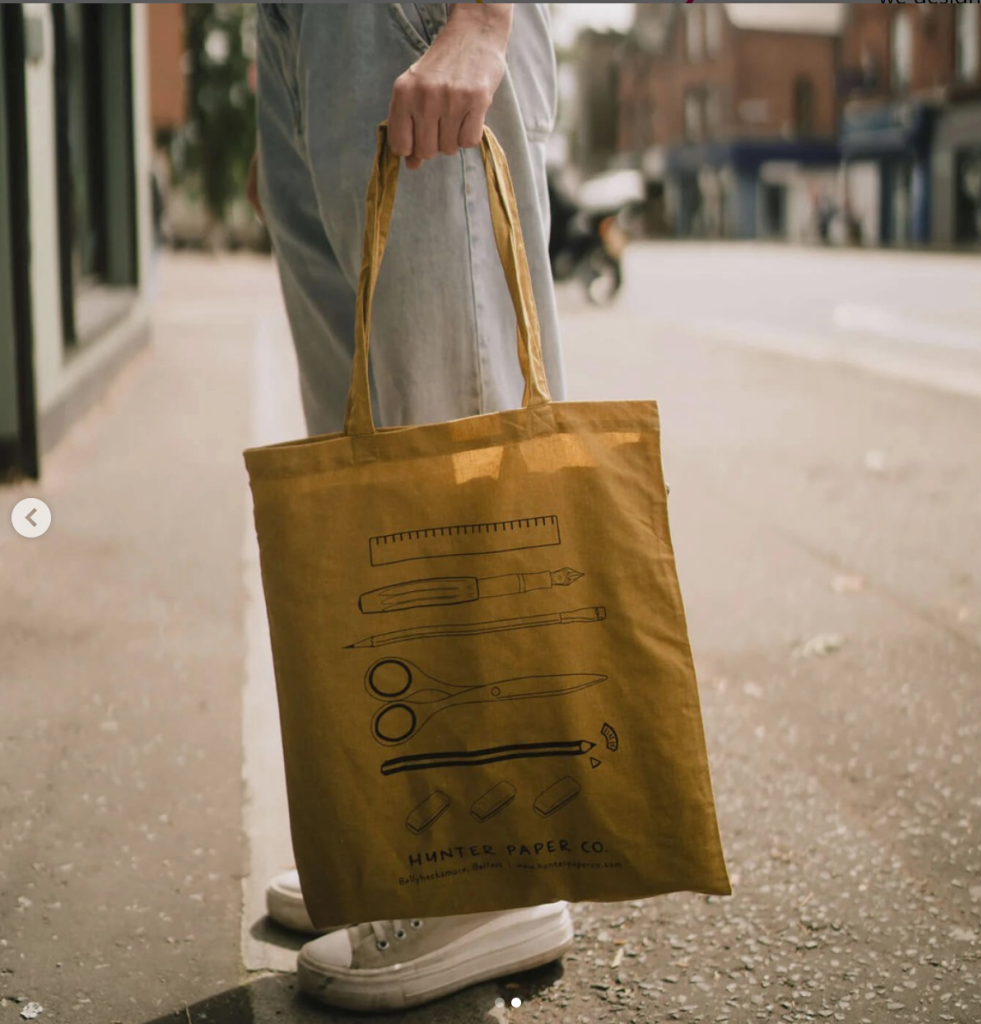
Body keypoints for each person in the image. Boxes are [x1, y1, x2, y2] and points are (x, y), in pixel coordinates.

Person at [250, 3, 572, 1013]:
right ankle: (409, 834)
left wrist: (482, 17)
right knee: (367, 445)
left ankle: (495, 860)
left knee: (451, 413)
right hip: (302, 30)